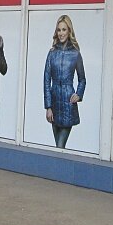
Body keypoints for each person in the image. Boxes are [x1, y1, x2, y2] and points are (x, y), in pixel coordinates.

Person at [44, 14, 86, 149]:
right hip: (54, 103)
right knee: (59, 147)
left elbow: (82, 79)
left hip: (68, 104)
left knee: (60, 146)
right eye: (59, 30)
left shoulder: (75, 54)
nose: (61, 33)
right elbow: (46, 81)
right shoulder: (52, 53)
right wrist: (48, 107)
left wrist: (79, 94)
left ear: (69, 31)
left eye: (64, 29)